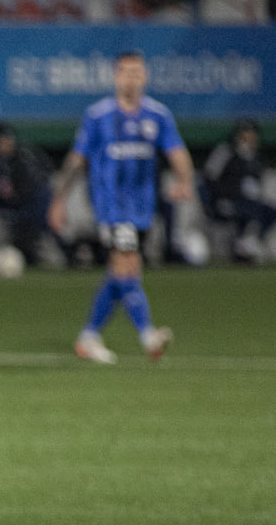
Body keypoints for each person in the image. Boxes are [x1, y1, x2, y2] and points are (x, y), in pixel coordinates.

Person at [50, 50, 195, 364]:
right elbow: (76, 160)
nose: (132, 79)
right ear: (116, 77)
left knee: (122, 273)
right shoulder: (98, 116)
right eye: (126, 72)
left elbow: (177, 151)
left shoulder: (158, 115)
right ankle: (148, 335)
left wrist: (184, 180)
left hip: (142, 209)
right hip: (111, 207)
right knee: (126, 264)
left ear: (145, 77)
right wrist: (60, 199)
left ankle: (88, 337)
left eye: (137, 73)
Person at [0, 123, 60, 268]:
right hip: (2, 212)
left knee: (45, 199)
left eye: (9, 139)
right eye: (2, 140)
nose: (6, 143)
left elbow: (41, 180)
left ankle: (53, 249)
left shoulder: (25, 157)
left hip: (28, 210)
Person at [203, 119, 274, 263]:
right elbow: (209, 177)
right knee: (244, 211)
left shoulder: (255, 157)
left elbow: (257, 183)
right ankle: (241, 246)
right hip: (225, 200)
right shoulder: (225, 151)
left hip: (249, 202)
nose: (249, 136)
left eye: (252, 133)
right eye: (245, 132)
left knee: (269, 211)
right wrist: (223, 195)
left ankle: (249, 242)